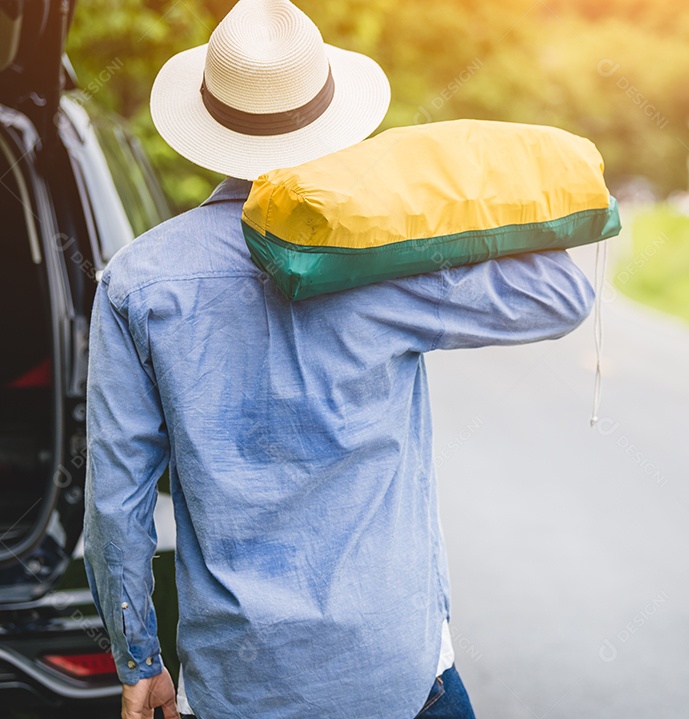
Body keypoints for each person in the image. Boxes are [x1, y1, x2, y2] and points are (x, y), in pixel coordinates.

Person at [81, 1, 595, 718]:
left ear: (210, 125)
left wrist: (140, 661)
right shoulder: (386, 263)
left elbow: (115, 503)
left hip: (239, 689)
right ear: (332, 123)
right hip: (402, 677)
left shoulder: (138, 283)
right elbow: (565, 292)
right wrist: (391, 184)